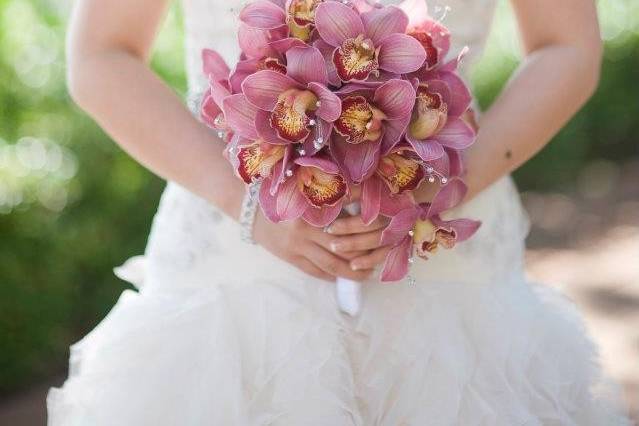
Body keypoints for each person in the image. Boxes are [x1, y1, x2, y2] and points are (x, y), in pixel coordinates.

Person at [48, 0, 630, 424]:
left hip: (444, 253)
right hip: (233, 256)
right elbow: (102, 54)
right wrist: (244, 201)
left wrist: (440, 186)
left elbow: (567, 44)